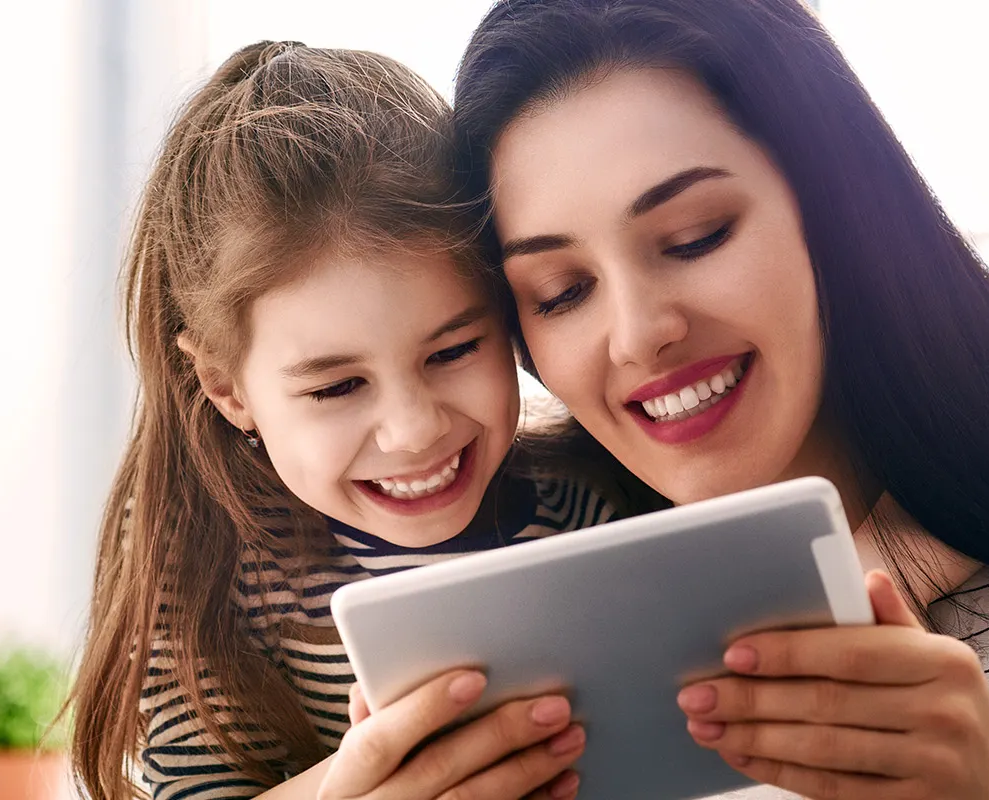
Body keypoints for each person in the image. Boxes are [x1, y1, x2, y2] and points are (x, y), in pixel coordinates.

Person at [450, 1, 989, 796]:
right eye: (561, 291)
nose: (637, 335)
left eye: (695, 236)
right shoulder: (527, 684)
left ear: (836, 211)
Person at [67, 41, 622, 800]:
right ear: (227, 388)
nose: (414, 430)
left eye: (455, 349)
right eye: (336, 389)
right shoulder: (208, 566)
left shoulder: (591, 509)